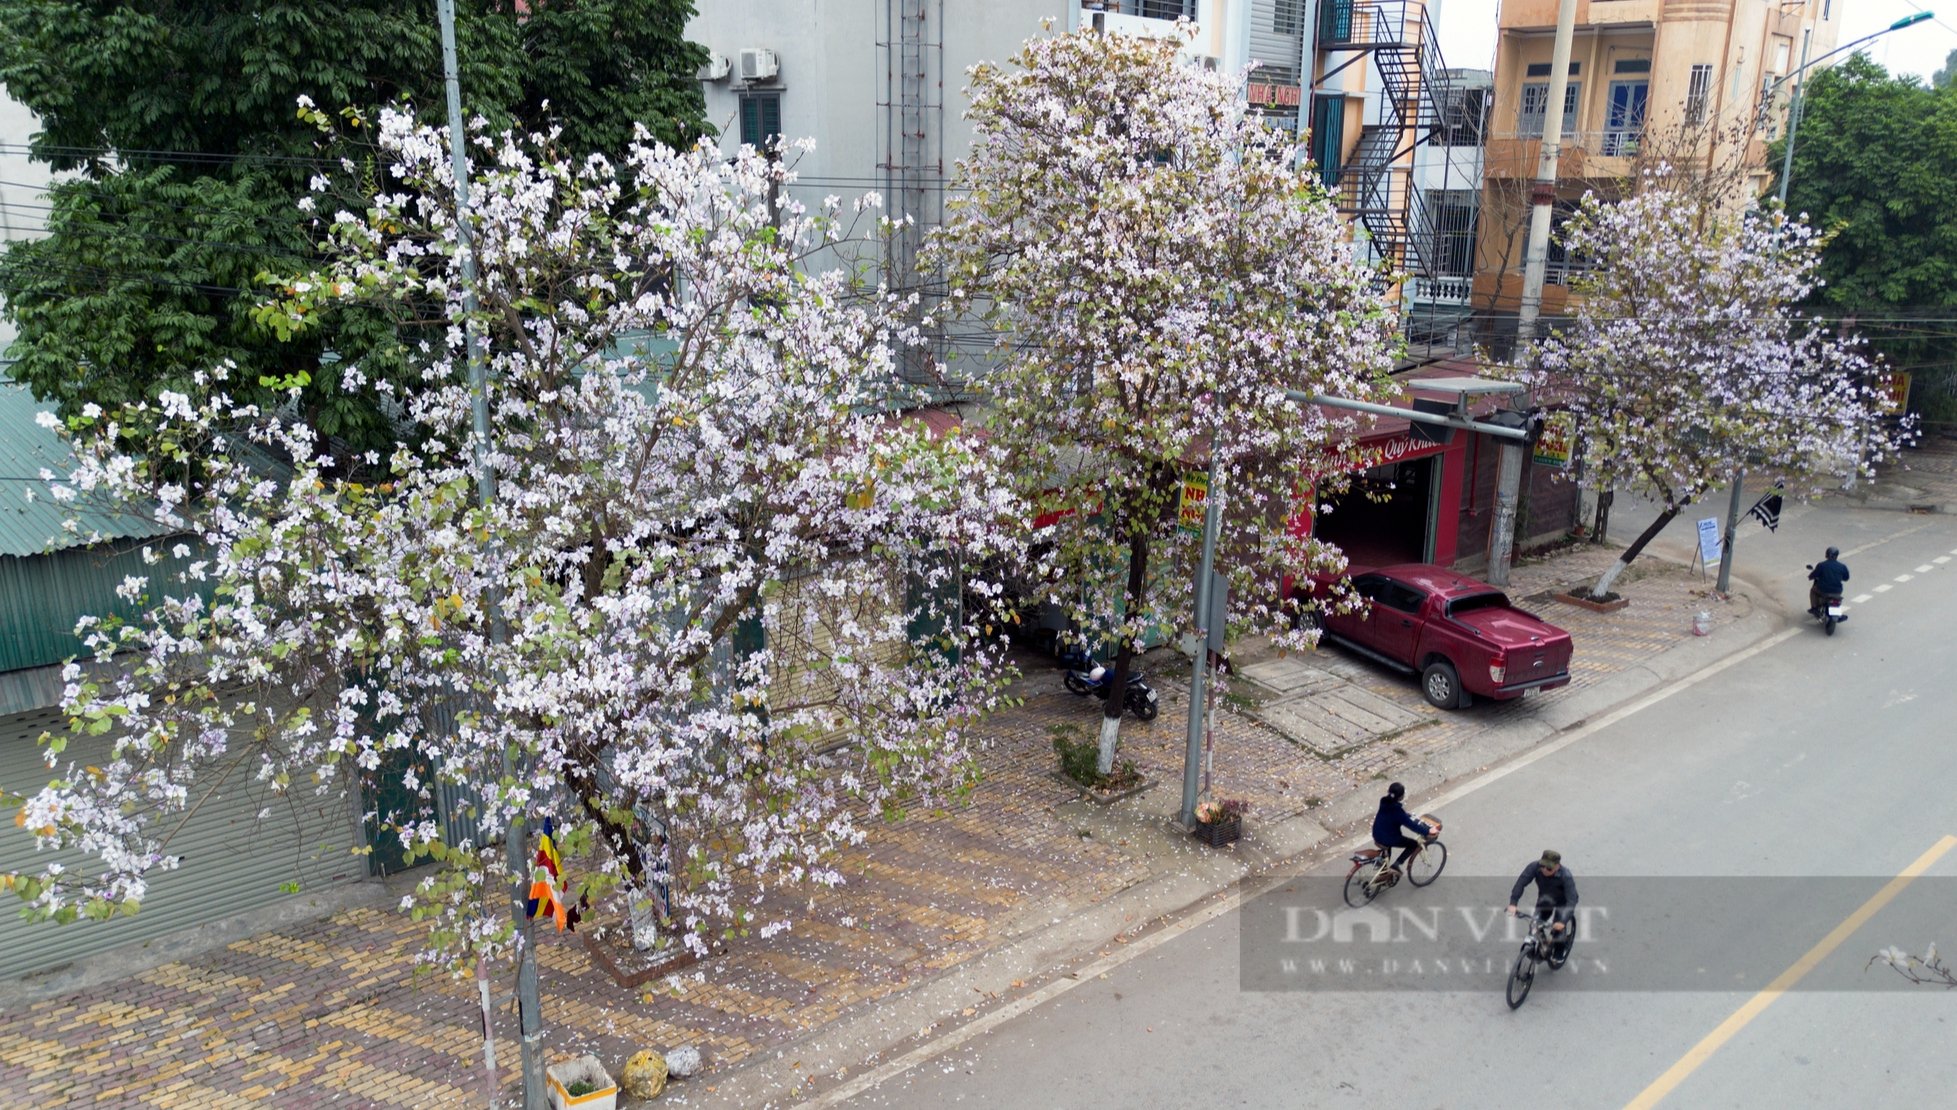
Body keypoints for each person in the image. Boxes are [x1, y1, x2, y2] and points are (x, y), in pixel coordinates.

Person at [1508, 850, 1578, 957]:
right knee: (1535, 924)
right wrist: (1513, 903)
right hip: (1545, 899)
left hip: (1563, 902)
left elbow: (1571, 900)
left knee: (1558, 928)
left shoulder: (1565, 876)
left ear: (1557, 866)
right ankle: (1541, 945)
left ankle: (1560, 950)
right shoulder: (1534, 867)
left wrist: (1562, 922)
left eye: (1549, 868)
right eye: (1543, 866)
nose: (1544, 870)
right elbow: (1521, 883)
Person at [1371, 782, 1434, 876]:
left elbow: (1393, 815)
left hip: (1376, 833)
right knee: (1413, 844)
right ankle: (1396, 865)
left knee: (1387, 848)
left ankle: (1383, 871)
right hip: (1389, 837)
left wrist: (1405, 815)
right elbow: (1412, 826)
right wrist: (1427, 831)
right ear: (1400, 797)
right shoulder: (1398, 812)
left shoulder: (1383, 801)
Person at [1808, 546, 1850, 616]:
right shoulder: (1842, 566)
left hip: (1823, 590)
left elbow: (1814, 575)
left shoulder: (1821, 565)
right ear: (1836, 556)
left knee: (1813, 590)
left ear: (1826, 555)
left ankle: (1814, 608)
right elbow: (1846, 578)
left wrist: (1810, 577)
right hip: (1837, 591)